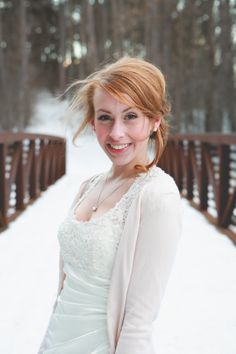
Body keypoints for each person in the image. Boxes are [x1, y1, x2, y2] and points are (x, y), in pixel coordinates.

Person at [38, 57, 183, 354]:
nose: (116, 133)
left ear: (155, 121)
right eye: (105, 117)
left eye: (130, 116)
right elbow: (66, 290)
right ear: (93, 123)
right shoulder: (87, 187)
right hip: (57, 341)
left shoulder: (157, 195)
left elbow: (139, 322)